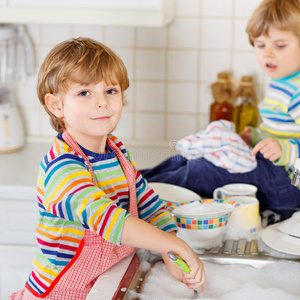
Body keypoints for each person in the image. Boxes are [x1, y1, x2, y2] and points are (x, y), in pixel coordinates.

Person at [9, 37, 205, 300]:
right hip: (61, 292)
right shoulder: (62, 169)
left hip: (104, 281)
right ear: (56, 106)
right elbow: (109, 220)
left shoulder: (117, 153)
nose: (102, 102)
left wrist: (169, 253)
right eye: (84, 93)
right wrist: (173, 244)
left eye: (110, 91)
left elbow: (148, 204)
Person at [141, 0, 300, 220]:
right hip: (273, 172)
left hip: (288, 184)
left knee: (202, 171)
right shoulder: (283, 81)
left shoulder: (297, 91)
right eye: (260, 45)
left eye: (280, 45)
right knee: (188, 159)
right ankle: (131, 181)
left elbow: (286, 145)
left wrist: (284, 150)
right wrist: (255, 136)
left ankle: (135, 193)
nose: (268, 54)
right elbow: (284, 131)